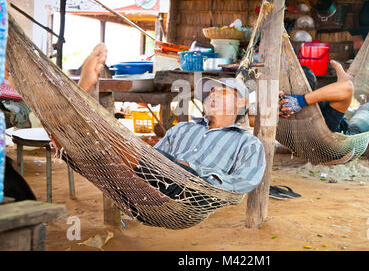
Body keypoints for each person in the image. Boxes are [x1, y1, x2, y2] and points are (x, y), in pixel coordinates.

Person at [54, 43, 266, 201]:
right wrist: (154, 156)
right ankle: (73, 123)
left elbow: (245, 181)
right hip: (150, 185)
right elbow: (150, 160)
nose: (212, 95)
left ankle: (81, 97)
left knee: (127, 146)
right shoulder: (184, 128)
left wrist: (197, 173)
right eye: (211, 92)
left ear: (241, 102)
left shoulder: (247, 144)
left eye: (222, 91)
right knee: (72, 149)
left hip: (192, 191)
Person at [279, 55, 369, 135]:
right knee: (368, 107)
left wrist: (299, 101)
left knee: (368, 108)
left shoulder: (316, 110)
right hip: (344, 132)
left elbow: (348, 88)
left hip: (343, 136)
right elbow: (347, 87)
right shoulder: (282, 104)